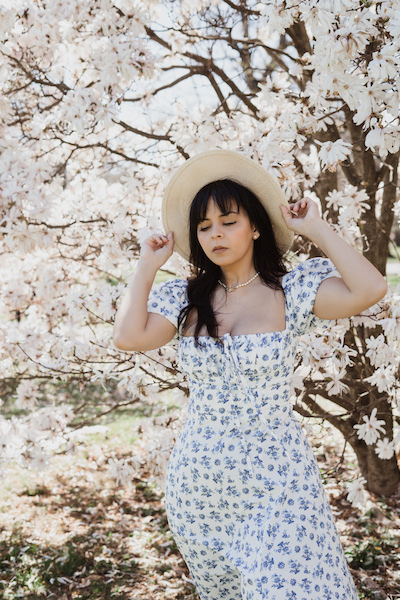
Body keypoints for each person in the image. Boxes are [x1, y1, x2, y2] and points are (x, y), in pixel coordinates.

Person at [113, 149, 387, 600]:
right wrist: (147, 266)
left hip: (278, 484)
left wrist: (315, 227)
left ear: (256, 226)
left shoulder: (291, 291)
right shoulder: (185, 298)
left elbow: (371, 288)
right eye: (204, 227)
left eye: (228, 221)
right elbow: (129, 336)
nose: (215, 234)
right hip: (201, 489)